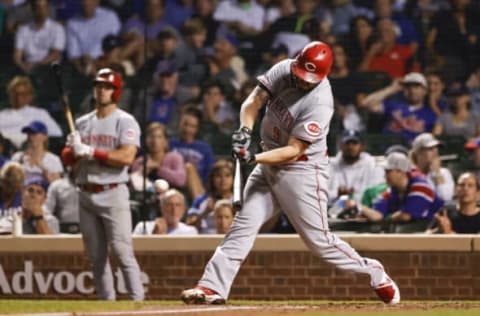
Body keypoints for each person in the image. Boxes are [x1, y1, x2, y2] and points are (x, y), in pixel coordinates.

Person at [180, 41, 400, 305]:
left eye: (309, 78)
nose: (303, 81)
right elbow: (254, 101)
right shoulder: (285, 69)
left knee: (320, 243)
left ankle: (373, 271)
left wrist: (253, 157)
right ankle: (212, 286)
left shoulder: (321, 102)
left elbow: (294, 150)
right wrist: (245, 131)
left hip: (302, 171)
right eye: (300, 74)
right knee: (241, 227)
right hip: (269, 163)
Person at [63, 68, 144, 301]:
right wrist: (71, 150)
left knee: (122, 251)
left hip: (112, 191)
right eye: (99, 85)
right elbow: (69, 160)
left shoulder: (124, 120)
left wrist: (91, 151)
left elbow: (126, 157)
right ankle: (106, 304)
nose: (101, 90)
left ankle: (137, 303)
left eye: (107, 86)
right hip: (86, 193)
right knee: (96, 256)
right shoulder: (82, 122)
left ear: (115, 91)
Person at [360, 152, 444, 225]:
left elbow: (405, 216)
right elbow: (377, 215)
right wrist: (359, 207)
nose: (385, 175)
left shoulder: (420, 186)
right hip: (417, 232)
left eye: (388, 171)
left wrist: (386, 219)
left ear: (400, 172)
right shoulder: (391, 191)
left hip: (437, 230)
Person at [0, 76, 62, 148]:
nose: (19, 97)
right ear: (10, 95)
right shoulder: (2, 115)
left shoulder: (40, 114)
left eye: (23, 94)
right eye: (16, 94)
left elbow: (56, 134)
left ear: (31, 95)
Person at [328, 129, 384, 204]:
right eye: (347, 143)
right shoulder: (330, 165)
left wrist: (353, 197)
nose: (350, 147)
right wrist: (337, 194)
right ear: (341, 146)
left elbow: (376, 193)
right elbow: (320, 193)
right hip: (333, 210)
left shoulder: (372, 164)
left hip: (363, 211)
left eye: (354, 143)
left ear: (362, 146)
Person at [13, 0, 66, 74]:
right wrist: (22, 66)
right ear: (33, 9)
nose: (42, 11)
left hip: (49, 69)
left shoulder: (57, 28)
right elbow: (17, 55)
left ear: (48, 9)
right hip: (27, 67)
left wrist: (36, 65)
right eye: (38, 7)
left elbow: (55, 54)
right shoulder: (23, 29)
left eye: (44, 7)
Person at [185, 159, 234, 234]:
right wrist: (205, 211)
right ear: (212, 179)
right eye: (218, 176)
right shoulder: (201, 200)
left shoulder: (241, 200)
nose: (223, 180)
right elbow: (189, 227)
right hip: (206, 241)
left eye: (227, 175)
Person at [410, 133, 454, 201]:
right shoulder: (409, 174)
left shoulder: (444, 173)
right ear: (418, 153)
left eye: (436, 148)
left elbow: (445, 199)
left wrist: (437, 173)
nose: (435, 152)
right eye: (430, 148)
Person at [133, 189, 197, 235]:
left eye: (177, 205)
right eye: (169, 205)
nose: (174, 209)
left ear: (183, 209)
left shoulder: (190, 232)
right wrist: (154, 237)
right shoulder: (143, 227)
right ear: (161, 208)